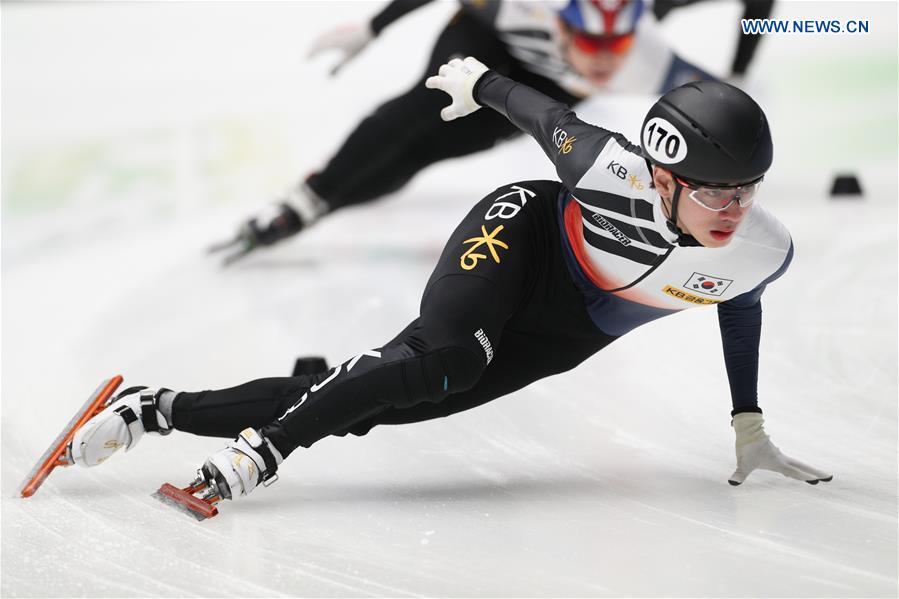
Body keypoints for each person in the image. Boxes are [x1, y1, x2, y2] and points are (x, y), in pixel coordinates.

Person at [68, 57, 831, 505]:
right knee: (441, 359)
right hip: (521, 235)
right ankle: (256, 456)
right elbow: (543, 113)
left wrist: (748, 423)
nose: (733, 211)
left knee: (382, 399)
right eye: (714, 192)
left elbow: (740, 307)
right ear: (662, 176)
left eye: (747, 190)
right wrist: (477, 81)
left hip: (567, 332)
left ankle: (155, 409)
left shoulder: (760, 247)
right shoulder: (605, 166)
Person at [212, 0, 719, 263]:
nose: (606, 56)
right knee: (426, 106)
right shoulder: (521, 6)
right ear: (562, 26)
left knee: (432, 149)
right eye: (590, 39)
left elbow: (718, 112)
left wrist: (744, 64)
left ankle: (318, 204)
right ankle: (305, 199)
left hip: (536, 83)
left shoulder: (652, 64)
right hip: (485, 41)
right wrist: (373, 26)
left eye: (619, 42)